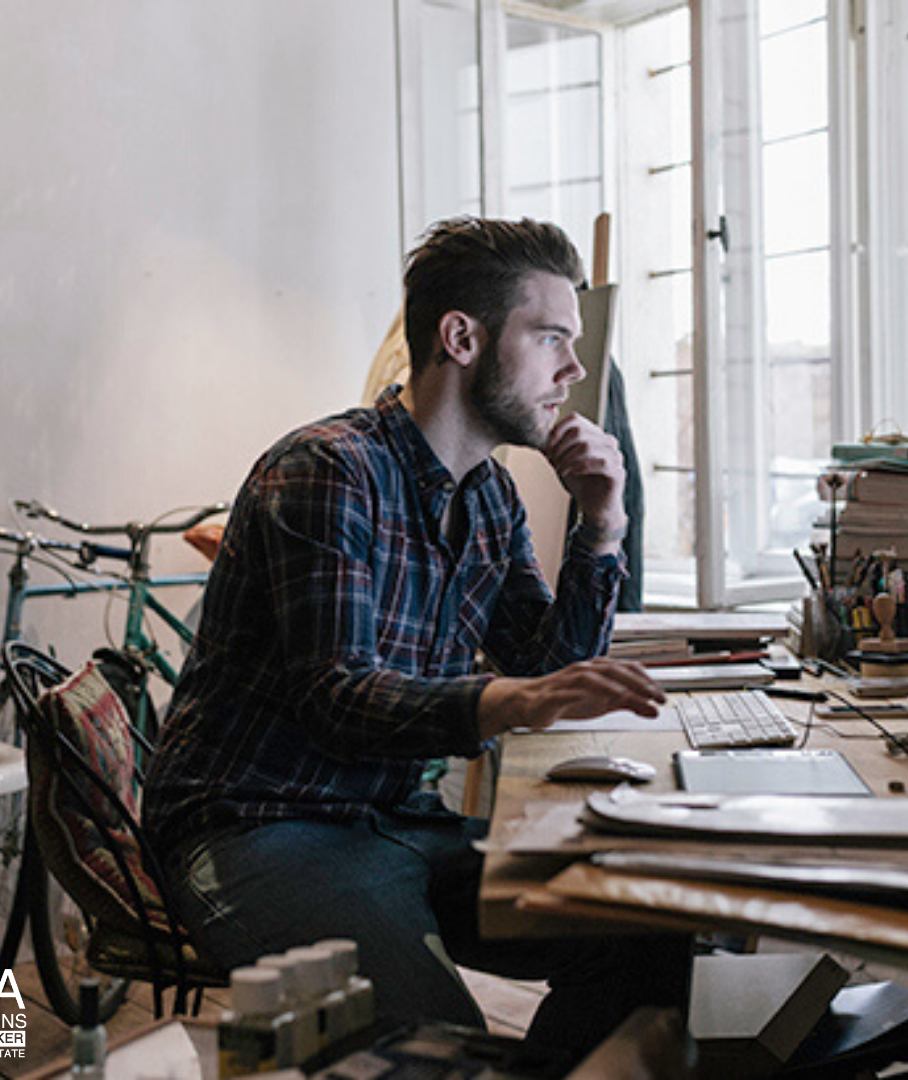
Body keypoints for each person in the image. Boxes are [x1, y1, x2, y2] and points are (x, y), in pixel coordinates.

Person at [143, 217, 690, 1070]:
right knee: (442, 1054)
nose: (576, 371)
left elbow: (548, 669)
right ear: (462, 337)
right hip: (260, 826)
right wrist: (513, 699)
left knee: (648, 939)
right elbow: (339, 698)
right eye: (550, 337)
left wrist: (602, 525)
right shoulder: (327, 470)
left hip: (397, 819)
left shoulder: (492, 496)